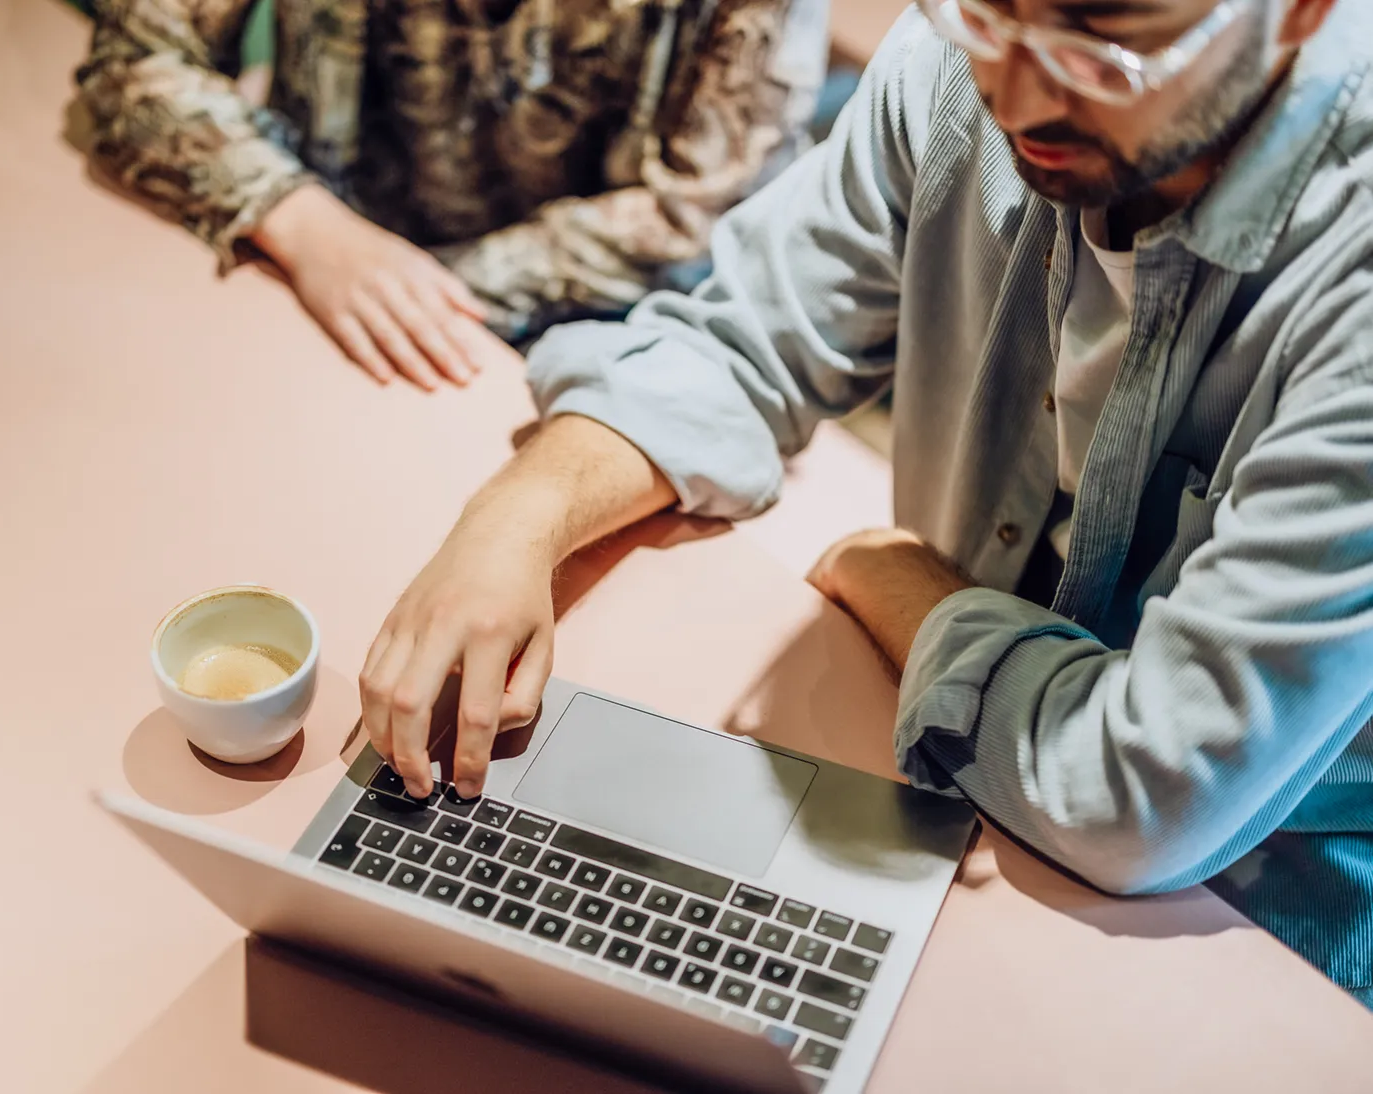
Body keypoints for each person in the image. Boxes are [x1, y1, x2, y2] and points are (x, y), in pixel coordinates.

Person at [359, 0, 1373, 1006]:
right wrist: (516, 516)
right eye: (986, 14)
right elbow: (746, 338)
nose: (1013, 94)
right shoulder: (953, 67)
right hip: (929, 760)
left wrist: (902, 582)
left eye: (1100, 51)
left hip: (1267, 894)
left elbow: (1141, 795)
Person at [74, 0, 830, 390]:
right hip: (299, 276)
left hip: (589, 361)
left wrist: (420, 294)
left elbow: (701, 215)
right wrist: (304, 223)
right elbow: (137, 59)